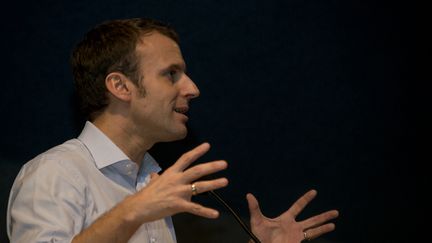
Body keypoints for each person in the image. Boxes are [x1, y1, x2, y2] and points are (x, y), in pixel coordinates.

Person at [7, 18, 339, 243]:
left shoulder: (151, 181)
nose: (192, 88)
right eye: (171, 74)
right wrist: (133, 212)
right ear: (120, 86)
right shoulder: (54, 173)